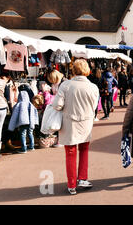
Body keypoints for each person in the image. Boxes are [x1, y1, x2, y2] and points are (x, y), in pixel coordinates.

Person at [52, 59, 100, 195]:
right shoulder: (93, 87)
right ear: (87, 71)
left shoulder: (65, 85)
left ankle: (71, 184)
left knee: (70, 152)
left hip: (70, 122)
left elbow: (57, 105)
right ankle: (83, 178)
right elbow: (95, 107)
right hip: (86, 122)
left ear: (73, 70)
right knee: (84, 150)